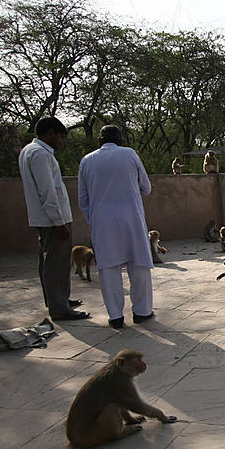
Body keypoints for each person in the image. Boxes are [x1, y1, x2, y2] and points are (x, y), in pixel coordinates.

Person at [78, 125, 154, 329]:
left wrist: (94, 220)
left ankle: (116, 316)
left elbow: (83, 199)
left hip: (102, 222)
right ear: (120, 141)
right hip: (131, 219)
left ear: (99, 142)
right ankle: (142, 312)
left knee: (108, 268)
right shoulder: (129, 154)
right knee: (139, 265)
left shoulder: (87, 160)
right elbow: (146, 188)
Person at [18, 116, 90, 321]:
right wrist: (59, 222)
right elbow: (47, 191)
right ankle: (59, 307)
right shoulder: (40, 154)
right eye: (60, 137)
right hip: (52, 219)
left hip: (44, 218)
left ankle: (57, 299)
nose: (61, 141)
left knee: (48, 261)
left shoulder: (29, 151)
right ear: (51, 132)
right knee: (56, 263)